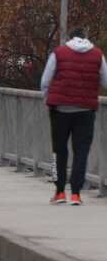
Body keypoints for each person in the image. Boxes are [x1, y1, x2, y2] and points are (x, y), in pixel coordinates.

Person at [40, 27, 107, 206]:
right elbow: (105, 80)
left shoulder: (59, 53)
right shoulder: (97, 54)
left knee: (58, 151)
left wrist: (47, 98)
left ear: (69, 38)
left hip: (60, 110)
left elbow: (45, 80)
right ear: (86, 38)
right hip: (85, 110)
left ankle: (59, 191)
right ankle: (76, 194)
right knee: (81, 152)